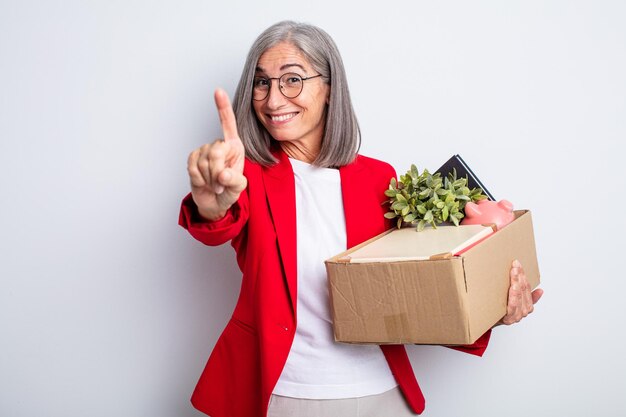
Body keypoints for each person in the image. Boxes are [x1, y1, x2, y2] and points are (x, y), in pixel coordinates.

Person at [179, 20, 543, 417]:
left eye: (292, 80)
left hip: (380, 392)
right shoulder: (248, 177)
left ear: (330, 88)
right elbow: (218, 222)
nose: (272, 99)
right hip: (282, 394)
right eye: (261, 83)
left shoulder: (379, 179)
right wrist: (211, 202)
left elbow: (417, 290)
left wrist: (493, 309)